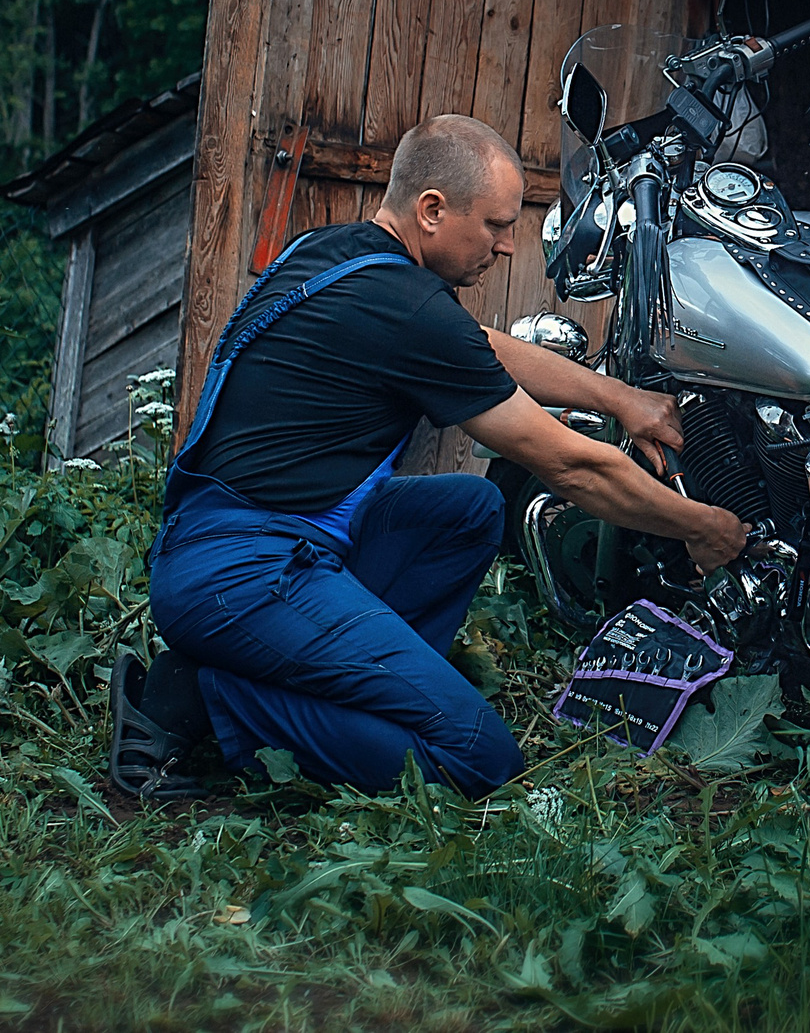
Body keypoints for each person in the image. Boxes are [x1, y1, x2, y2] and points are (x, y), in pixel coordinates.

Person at [108, 113, 746, 798]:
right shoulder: (407, 308)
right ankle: (209, 697)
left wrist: (620, 397)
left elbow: (483, 348)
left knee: (468, 509)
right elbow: (575, 467)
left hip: (223, 549)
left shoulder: (337, 255)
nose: (507, 246)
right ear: (433, 210)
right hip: (243, 575)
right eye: (496, 224)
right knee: (478, 759)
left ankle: (361, 694)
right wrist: (703, 527)